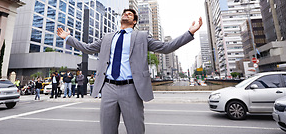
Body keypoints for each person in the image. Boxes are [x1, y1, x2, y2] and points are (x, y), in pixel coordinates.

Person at [57, 8, 202, 134]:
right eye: (125, 13)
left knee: (135, 130)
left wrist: (189, 33)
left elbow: (166, 47)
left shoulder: (142, 36)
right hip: (108, 88)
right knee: (107, 130)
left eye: (130, 14)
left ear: (134, 22)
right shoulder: (107, 37)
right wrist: (68, 38)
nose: (126, 14)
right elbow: (87, 48)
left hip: (131, 89)